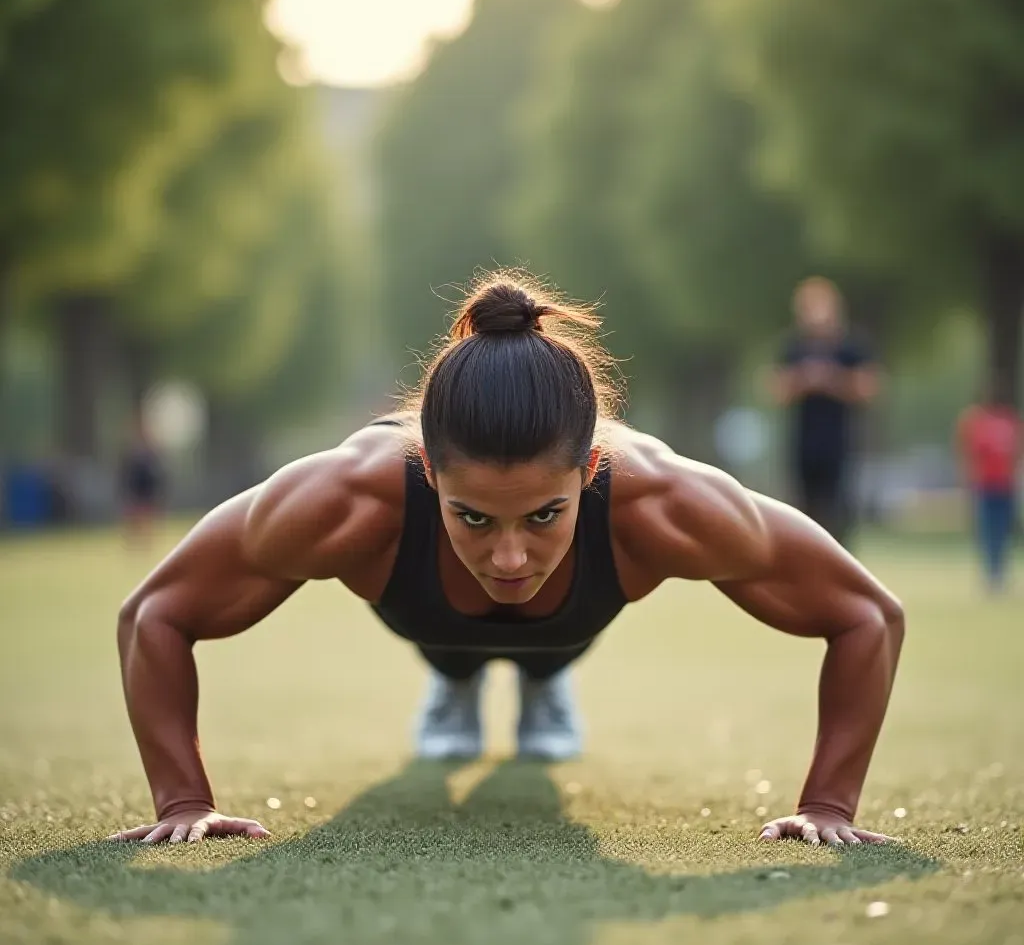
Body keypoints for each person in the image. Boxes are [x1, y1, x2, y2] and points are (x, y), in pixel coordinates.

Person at [111, 272, 903, 849]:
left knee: (543, 649)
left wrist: (828, 806)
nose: (512, 554)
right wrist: (184, 800)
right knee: (454, 658)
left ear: (590, 472)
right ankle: (455, 687)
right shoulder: (349, 497)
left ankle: (541, 684)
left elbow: (868, 615)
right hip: (427, 621)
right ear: (427, 472)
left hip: (571, 627)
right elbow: (156, 611)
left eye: (546, 514)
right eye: (473, 517)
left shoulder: (661, 500)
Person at [772, 277, 880, 547]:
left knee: (839, 510)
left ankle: (841, 562)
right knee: (803, 511)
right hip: (803, 444)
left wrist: (831, 381)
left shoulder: (851, 347)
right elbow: (777, 390)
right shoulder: (793, 348)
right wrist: (804, 381)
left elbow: (869, 388)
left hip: (839, 442)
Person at [955, 382, 1021, 592]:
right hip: (984, 485)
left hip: (1005, 485)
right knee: (987, 531)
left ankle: (1000, 572)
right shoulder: (975, 420)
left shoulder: (1010, 420)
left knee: (1002, 531)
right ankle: (990, 574)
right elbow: (966, 451)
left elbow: (1016, 453)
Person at [118, 413, 165, 549]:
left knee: (146, 516)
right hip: (135, 488)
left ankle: (145, 542)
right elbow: (126, 473)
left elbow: (157, 473)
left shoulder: (151, 454)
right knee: (133, 516)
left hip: (146, 488)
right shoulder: (131, 453)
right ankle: (133, 542)